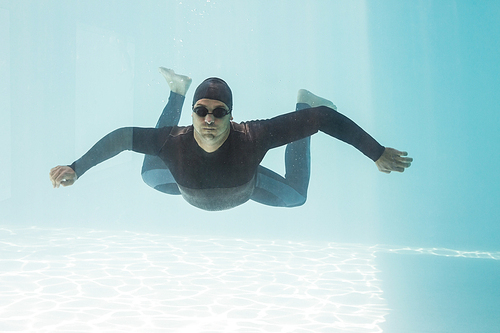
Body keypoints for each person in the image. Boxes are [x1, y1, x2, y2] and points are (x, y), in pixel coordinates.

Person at [49, 67, 412, 211]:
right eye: (201, 110)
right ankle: (178, 90)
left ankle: (304, 100)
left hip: (245, 187)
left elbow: (323, 120)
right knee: (148, 173)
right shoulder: (171, 141)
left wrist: (376, 152)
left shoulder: (252, 137)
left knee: (297, 197)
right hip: (186, 185)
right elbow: (121, 138)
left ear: (231, 115)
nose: (209, 118)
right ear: (192, 115)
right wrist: (76, 168)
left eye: (219, 111)